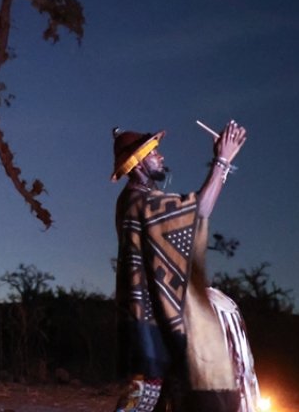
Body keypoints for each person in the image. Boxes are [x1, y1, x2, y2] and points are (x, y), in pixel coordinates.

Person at [110, 121, 248, 412]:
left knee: (163, 396)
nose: (161, 157)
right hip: (152, 322)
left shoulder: (135, 201)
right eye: (154, 153)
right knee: (146, 396)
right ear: (137, 165)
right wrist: (222, 161)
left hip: (150, 319)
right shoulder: (140, 201)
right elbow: (198, 211)